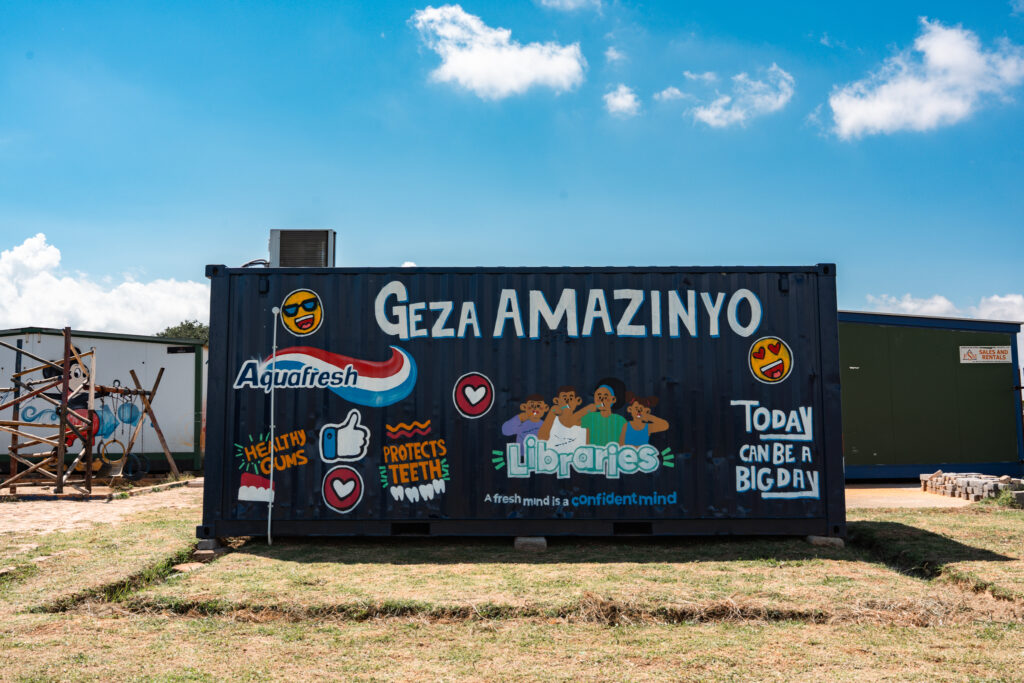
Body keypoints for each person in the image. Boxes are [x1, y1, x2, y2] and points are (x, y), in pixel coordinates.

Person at [567, 381, 627, 446]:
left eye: (605, 396)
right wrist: (586, 410)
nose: (602, 400)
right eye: (599, 396)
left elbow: (623, 444)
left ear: (613, 399)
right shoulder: (589, 417)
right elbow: (569, 423)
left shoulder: (620, 421)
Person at [538, 386, 586, 453]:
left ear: (577, 401)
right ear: (556, 401)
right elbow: (541, 438)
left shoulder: (582, 422)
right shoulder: (552, 420)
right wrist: (551, 413)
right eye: (564, 398)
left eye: (571, 398)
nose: (567, 401)